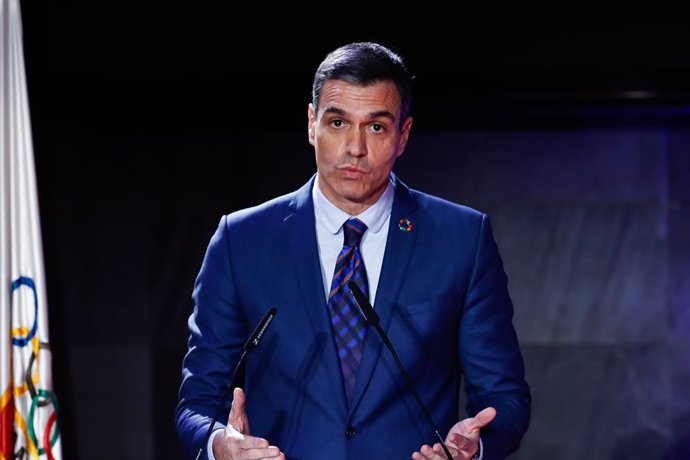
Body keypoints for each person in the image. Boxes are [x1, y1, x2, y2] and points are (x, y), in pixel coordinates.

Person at [175, 41, 531, 460]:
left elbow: (504, 397)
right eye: (338, 123)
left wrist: (475, 446)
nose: (355, 148)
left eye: (376, 127)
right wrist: (220, 444)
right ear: (312, 124)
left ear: (403, 135)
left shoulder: (461, 239)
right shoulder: (242, 240)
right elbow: (197, 402)